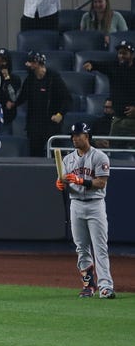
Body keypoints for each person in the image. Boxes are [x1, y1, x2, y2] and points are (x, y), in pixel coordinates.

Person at [55, 122, 115, 299]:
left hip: (95, 204)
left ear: (87, 136)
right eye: (73, 136)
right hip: (76, 205)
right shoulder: (67, 159)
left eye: (78, 135)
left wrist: (81, 181)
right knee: (81, 248)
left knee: (100, 247)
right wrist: (60, 184)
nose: (74, 138)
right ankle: (88, 285)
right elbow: (63, 181)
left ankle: (106, 286)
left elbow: (101, 183)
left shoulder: (99, 157)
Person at [9, 52, 71, 157]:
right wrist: (13, 104)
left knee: (56, 153)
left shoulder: (53, 78)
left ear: (37, 63)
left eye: (30, 62)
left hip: (51, 123)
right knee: (35, 154)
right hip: (34, 124)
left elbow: (67, 99)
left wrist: (60, 114)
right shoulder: (30, 79)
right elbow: (22, 96)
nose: (27, 64)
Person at [82, 40, 135, 149]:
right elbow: (99, 65)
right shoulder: (114, 66)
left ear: (132, 55)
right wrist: (90, 64)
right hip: (118, 119)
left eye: (125, 53)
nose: (121, 56)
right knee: (114, 151)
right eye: (120, 53)